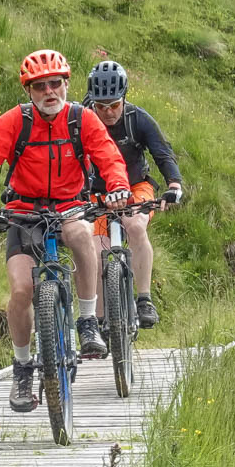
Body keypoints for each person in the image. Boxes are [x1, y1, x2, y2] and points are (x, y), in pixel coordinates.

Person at [0, 50, 130, 413]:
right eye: (40, 87)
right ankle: (22, 369)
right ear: (29, 91)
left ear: (66, 84)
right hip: (24, 213)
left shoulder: (81, 119)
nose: (49, 92)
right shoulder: (13, 122)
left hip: (69, 206)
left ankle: (87, 321)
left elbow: (109, 156)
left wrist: (117, 186)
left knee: (82, 234)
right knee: (21, 290)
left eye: (55, 84)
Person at [83, 59, 183, 329]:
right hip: (96, 193)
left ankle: (144, 299)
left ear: (124, 98)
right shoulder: (81, 120)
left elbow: (163, 153)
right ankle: (100, 322)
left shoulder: (137, 118)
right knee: (96, 248)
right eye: (101, 106)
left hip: (136, 187)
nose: (108, 112)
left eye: (114, 105)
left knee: (136, 225)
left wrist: (174, 184)